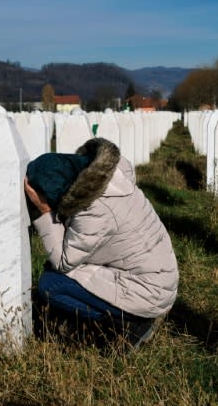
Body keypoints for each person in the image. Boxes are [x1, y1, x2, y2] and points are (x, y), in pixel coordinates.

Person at [24, 137, 178, 351]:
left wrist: (44, 212)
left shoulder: (94, 210)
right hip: (157, 277)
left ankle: (131, 324)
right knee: (56, 271)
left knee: (51, 285)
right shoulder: (112, 179)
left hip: (148, 291)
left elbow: (63, 262)